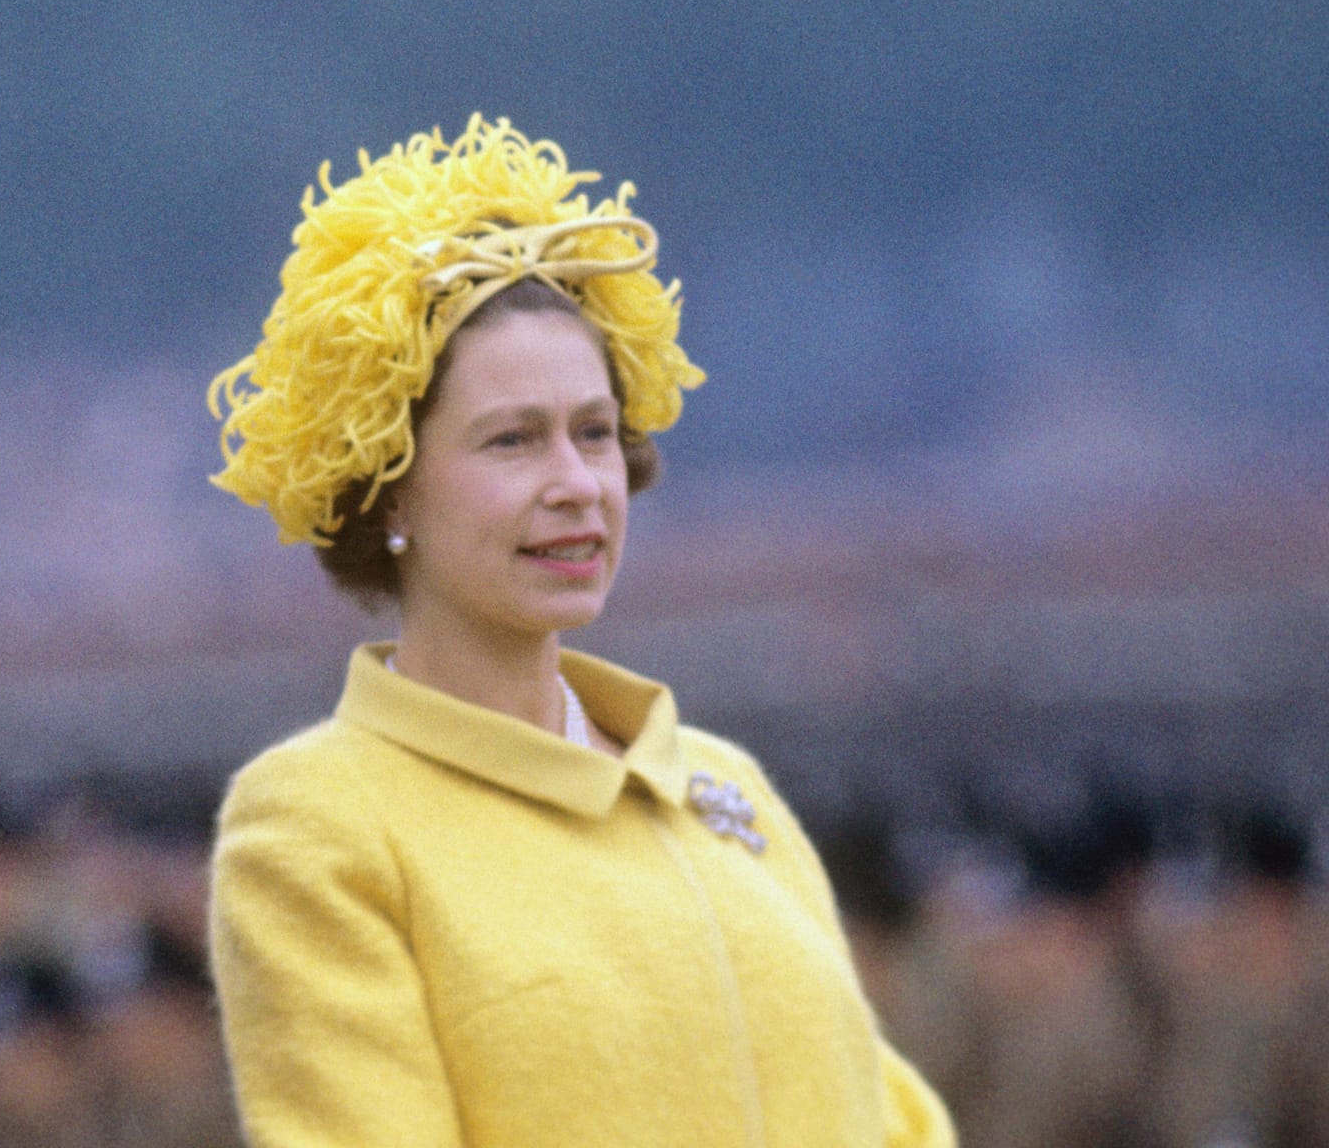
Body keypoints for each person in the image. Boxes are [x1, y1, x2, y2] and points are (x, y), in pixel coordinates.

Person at [204, 115, 956, 1146]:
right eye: (512, 440)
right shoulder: (320, 824)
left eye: (595, 432)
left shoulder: (721, 787)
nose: (577, 485)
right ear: (387, 490)